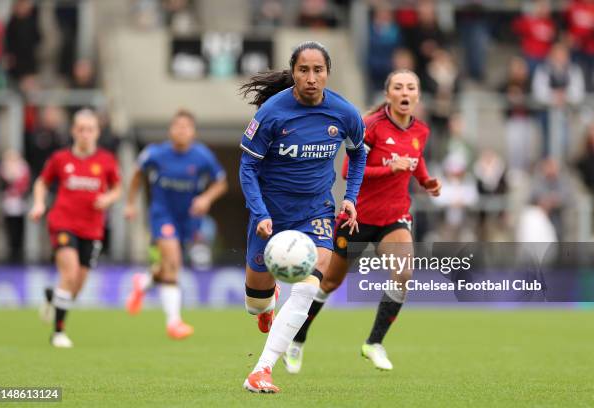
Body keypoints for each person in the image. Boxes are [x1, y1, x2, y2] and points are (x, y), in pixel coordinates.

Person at [282, 69, 441, 373]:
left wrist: (426, 181)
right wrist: (389, 168)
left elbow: (415, 160)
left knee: (403, 274)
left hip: (394, 218)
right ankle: (297, 339)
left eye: (411, 87)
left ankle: (374, 343)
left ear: (417, 96)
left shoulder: (421, 131)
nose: (405, 92)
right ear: (388, 94)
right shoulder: (371, 127)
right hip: (357, 217)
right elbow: (348, 171)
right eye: (398, 87)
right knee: (328, 282)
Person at [238, 41, 366, 393]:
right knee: (255, 304)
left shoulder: (345, 113)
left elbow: (358, 155)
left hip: (316, 211)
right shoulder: (271, 113)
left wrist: (351, 198)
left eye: (318, 70)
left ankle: (261, 370)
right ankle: (266, 305)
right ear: (293, 72)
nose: (311, 78)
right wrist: (260, 212)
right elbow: (247, 167)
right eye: (303, 70)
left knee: (309, 288)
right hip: (271, 215)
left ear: (328, 73)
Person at [124, 109, 227, 339]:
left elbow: (221, 182)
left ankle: (144, 281)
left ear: (193, 132)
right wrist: (130, 203)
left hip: (188, 218)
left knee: (168, 267)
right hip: (162, 214)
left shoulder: (202, 156)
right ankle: (174, 322)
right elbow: (137, 175)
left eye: (186, 127)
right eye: (177, 126)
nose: (181, 131)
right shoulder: (155, 154)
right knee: (174, 262)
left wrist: (206, 198)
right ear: (170, 130)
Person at [29, 108, 122, 348]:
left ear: (97, 132)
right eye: (80, 129)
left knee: (76, 288)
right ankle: (58, 333)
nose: (85, 134)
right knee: (68, 275)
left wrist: (108, 200)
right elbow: (42, 182)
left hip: (92, 229)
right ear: (73, 131)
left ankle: (53, 296)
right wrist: (39, 203)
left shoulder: (106, 160)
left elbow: (117, 188)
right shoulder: (61, 159)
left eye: (90, 129)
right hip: (63, 223)